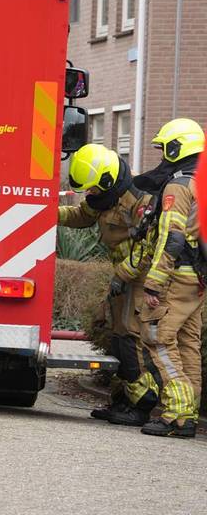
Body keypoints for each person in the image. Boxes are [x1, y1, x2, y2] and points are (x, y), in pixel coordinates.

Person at [57, 144, 157, 425]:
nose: (90, 195)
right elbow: (83, 215)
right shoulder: (105, 196)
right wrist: (49, 214)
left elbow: (149, 248)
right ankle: (122, 401)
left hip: (139, 279)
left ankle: (142, 404)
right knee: (116, 336)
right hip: (122, 278)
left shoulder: (141, 200)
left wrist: (123, 275)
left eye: (93, 190)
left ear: (107, 181)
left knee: (130, 339)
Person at [132, 118, 203, 438]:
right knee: (188, 344)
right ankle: (189, 413)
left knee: (156, 337)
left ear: (177, 148)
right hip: (198, 281)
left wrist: (154, 282)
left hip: (176, 278)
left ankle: (178, 411)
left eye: (164, 149)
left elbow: (171, 238)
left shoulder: (177, 186)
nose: (162, 155)